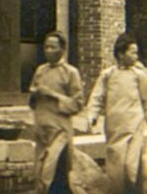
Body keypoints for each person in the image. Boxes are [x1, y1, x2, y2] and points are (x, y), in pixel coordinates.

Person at [85, 32, 147, 194]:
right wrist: (92, 116)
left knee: (131, 165)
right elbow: (97, 97)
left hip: (135, 126)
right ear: (121, 54)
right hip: (114, 128)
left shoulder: (139, 75)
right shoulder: (108, 75)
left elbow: (146, 100)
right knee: (116, 169)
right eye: (132, 52)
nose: (136, 56)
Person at [28, 31, 84, 194]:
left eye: (53, 47)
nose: (48, 50)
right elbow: (32, 103)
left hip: (59, 132)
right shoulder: (40, 71)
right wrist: (35, 94)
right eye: (46, 47)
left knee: (54, 175)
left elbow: (78, 103)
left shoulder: (70, 72)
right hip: (42, 132)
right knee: (40, 174)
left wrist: (53, 95)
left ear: (62, 50)